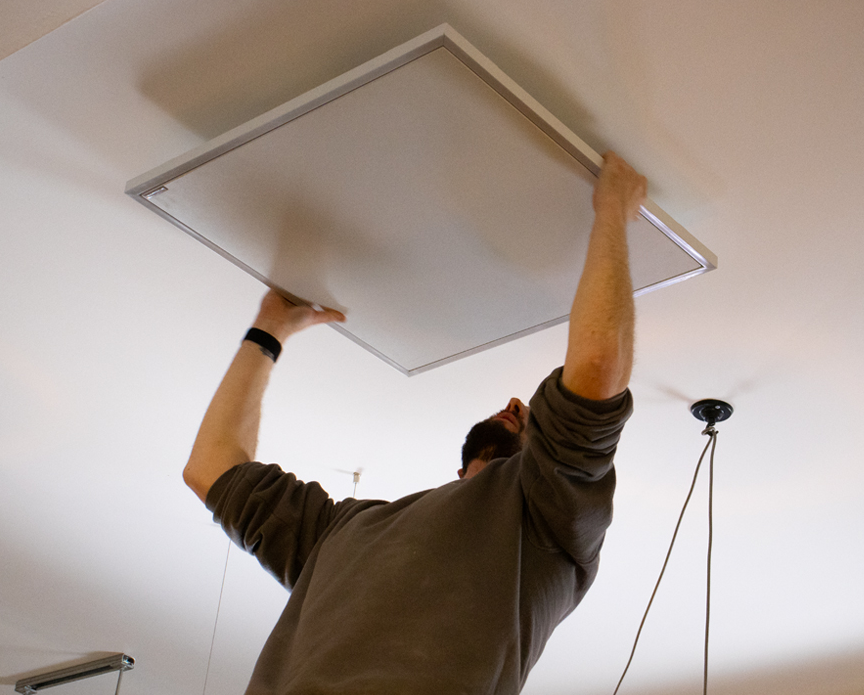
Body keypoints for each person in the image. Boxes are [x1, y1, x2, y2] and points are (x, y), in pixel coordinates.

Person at [183, 152, 648, 695]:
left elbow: (596, 366)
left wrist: (612, 210)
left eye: (533, 421)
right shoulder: (343, 532)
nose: (519, 404)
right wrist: (270, 328)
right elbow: (210, 469)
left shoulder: (549, 524)